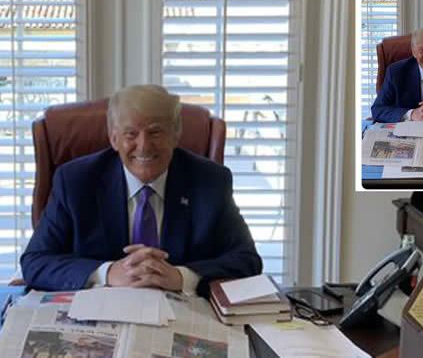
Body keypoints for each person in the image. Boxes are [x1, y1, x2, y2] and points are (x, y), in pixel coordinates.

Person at [20, 85, 262, 297]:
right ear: (114, 139)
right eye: (131, 135)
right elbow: (35, 261)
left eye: (156, 132)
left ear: (176, 134)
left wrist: (182, 277)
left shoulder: (211, 181)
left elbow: (247, 260)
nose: (144, 146)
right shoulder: (75, 181)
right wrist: (106, 273)